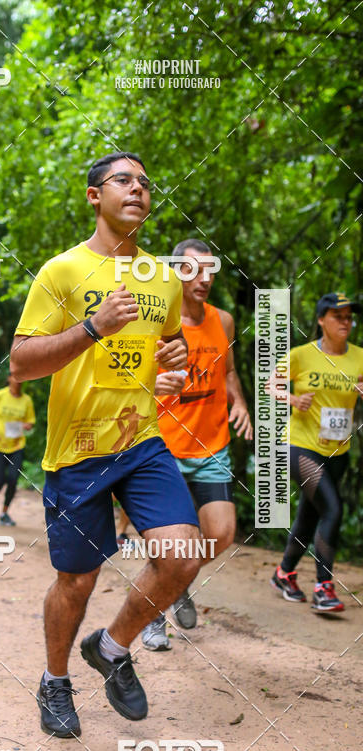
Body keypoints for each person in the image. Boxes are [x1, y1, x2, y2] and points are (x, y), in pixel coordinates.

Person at [10, 151, 200, 738]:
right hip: (77, 449)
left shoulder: (165, 280)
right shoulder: (62, 271)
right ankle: (54, 681)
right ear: (95, 196)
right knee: (79, 580)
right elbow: (21, 362)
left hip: (141, 441)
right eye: (123, 180)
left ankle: (113, 648)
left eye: (145, 181)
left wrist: (178, 358)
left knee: (184, 553)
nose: (138, 189)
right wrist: (94, 327)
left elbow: (171, 351)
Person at [141, 239, 253, 650]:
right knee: (169, 543)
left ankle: (177, 578)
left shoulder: (222, 321)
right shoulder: (156, 325)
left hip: (211, 446)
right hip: (163, 447)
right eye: (193, 270)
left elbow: (228, 372)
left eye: (210, 270)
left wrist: (239, 401)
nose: (204, 279)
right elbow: (133, 383)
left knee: (222, 534)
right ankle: (153, 611)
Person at [269, 292, 363, 612]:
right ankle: (324, 588)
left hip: (338, 451)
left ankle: (284, 572)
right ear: (322, 320)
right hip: (301, 446)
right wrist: (294, 400)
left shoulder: (360, 357)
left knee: (311, 515)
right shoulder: (301, 355)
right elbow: (272, 385)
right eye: (338, 316)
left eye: (349, 317)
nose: (346, 322)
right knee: (333, 510)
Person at [0, 373, 35, 526]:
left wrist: (26, 426)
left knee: (13, 480)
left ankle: (4, 513)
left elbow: (30, 423)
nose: (18, 381)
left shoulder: (27, 400)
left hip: (17, 446)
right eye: (15, 377)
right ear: (9, 378)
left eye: (21, 377)